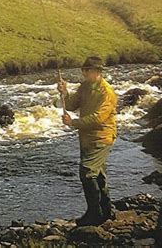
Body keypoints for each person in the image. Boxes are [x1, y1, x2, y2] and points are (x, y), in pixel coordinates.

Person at [57, 56, 118, 226]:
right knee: (98, 174)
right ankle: (106, 211)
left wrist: (73, 123)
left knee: (87, 172)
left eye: (87, 70)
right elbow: (71, 105)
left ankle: (94, 214)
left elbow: (98, 118)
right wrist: (64, 92)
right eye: (83, 70)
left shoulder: (107, 92)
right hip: (86, 137)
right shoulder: (85, 86)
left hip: (101, 137)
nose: (84, 73)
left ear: (97, 72)